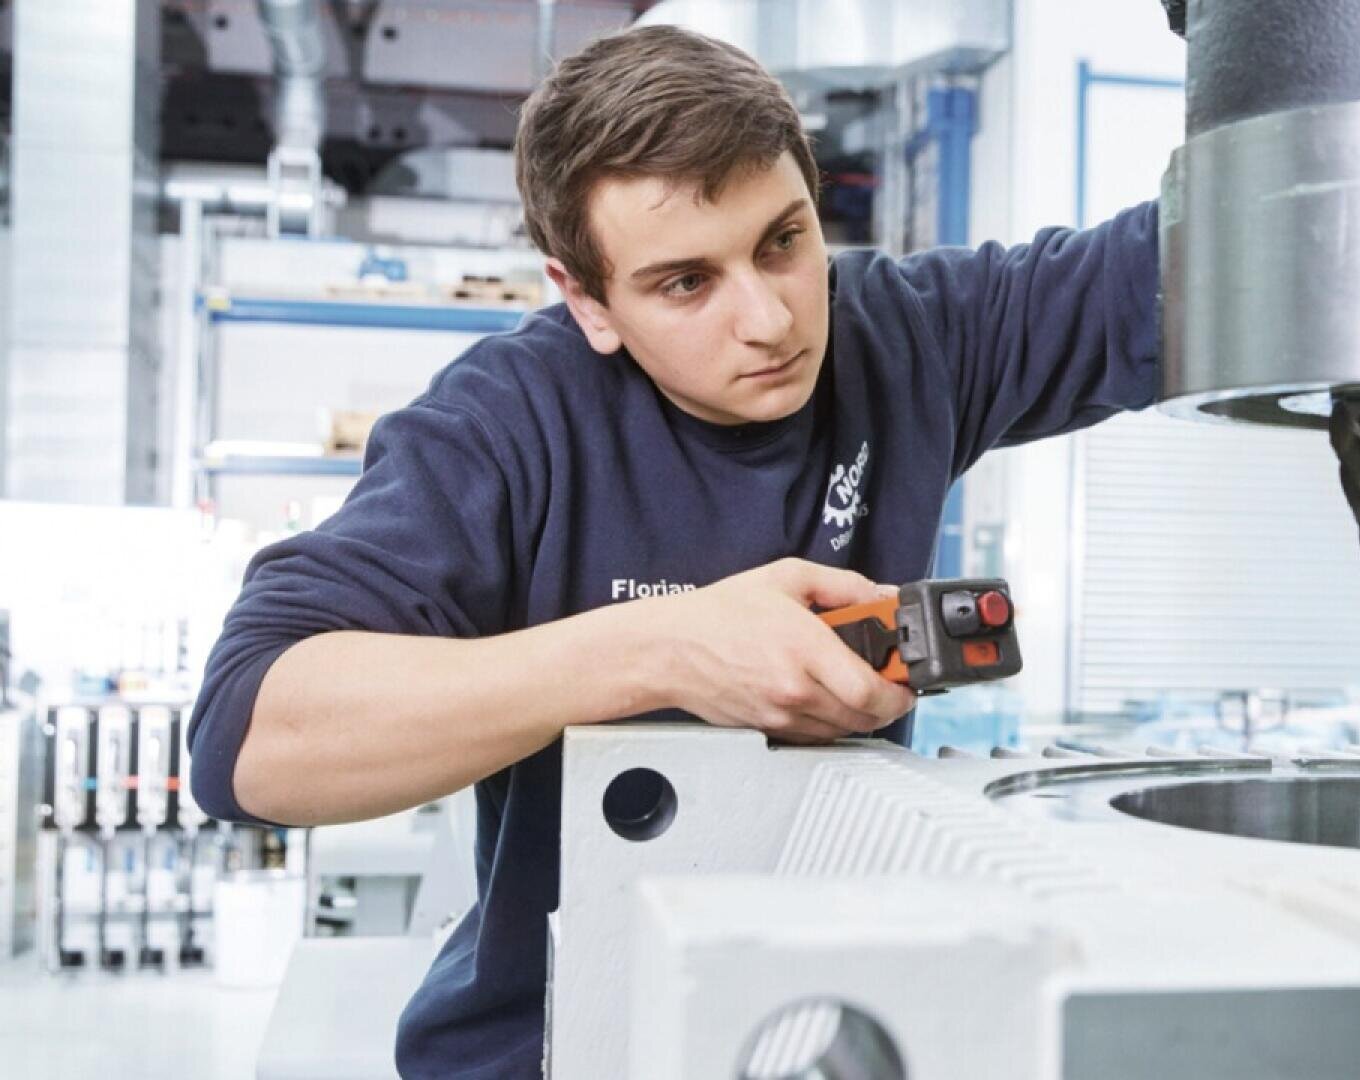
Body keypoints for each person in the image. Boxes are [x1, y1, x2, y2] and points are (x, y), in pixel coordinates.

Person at [189, 23, 1160, 1078]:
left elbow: (1196, 259)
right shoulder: (507, 425)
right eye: (686, 283)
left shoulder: (909, 337)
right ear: (588, 301)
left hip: (819, 1027)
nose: (770, 318)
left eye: (784, 240)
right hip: (553, 1045)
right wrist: (662, 650)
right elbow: (249, 736)